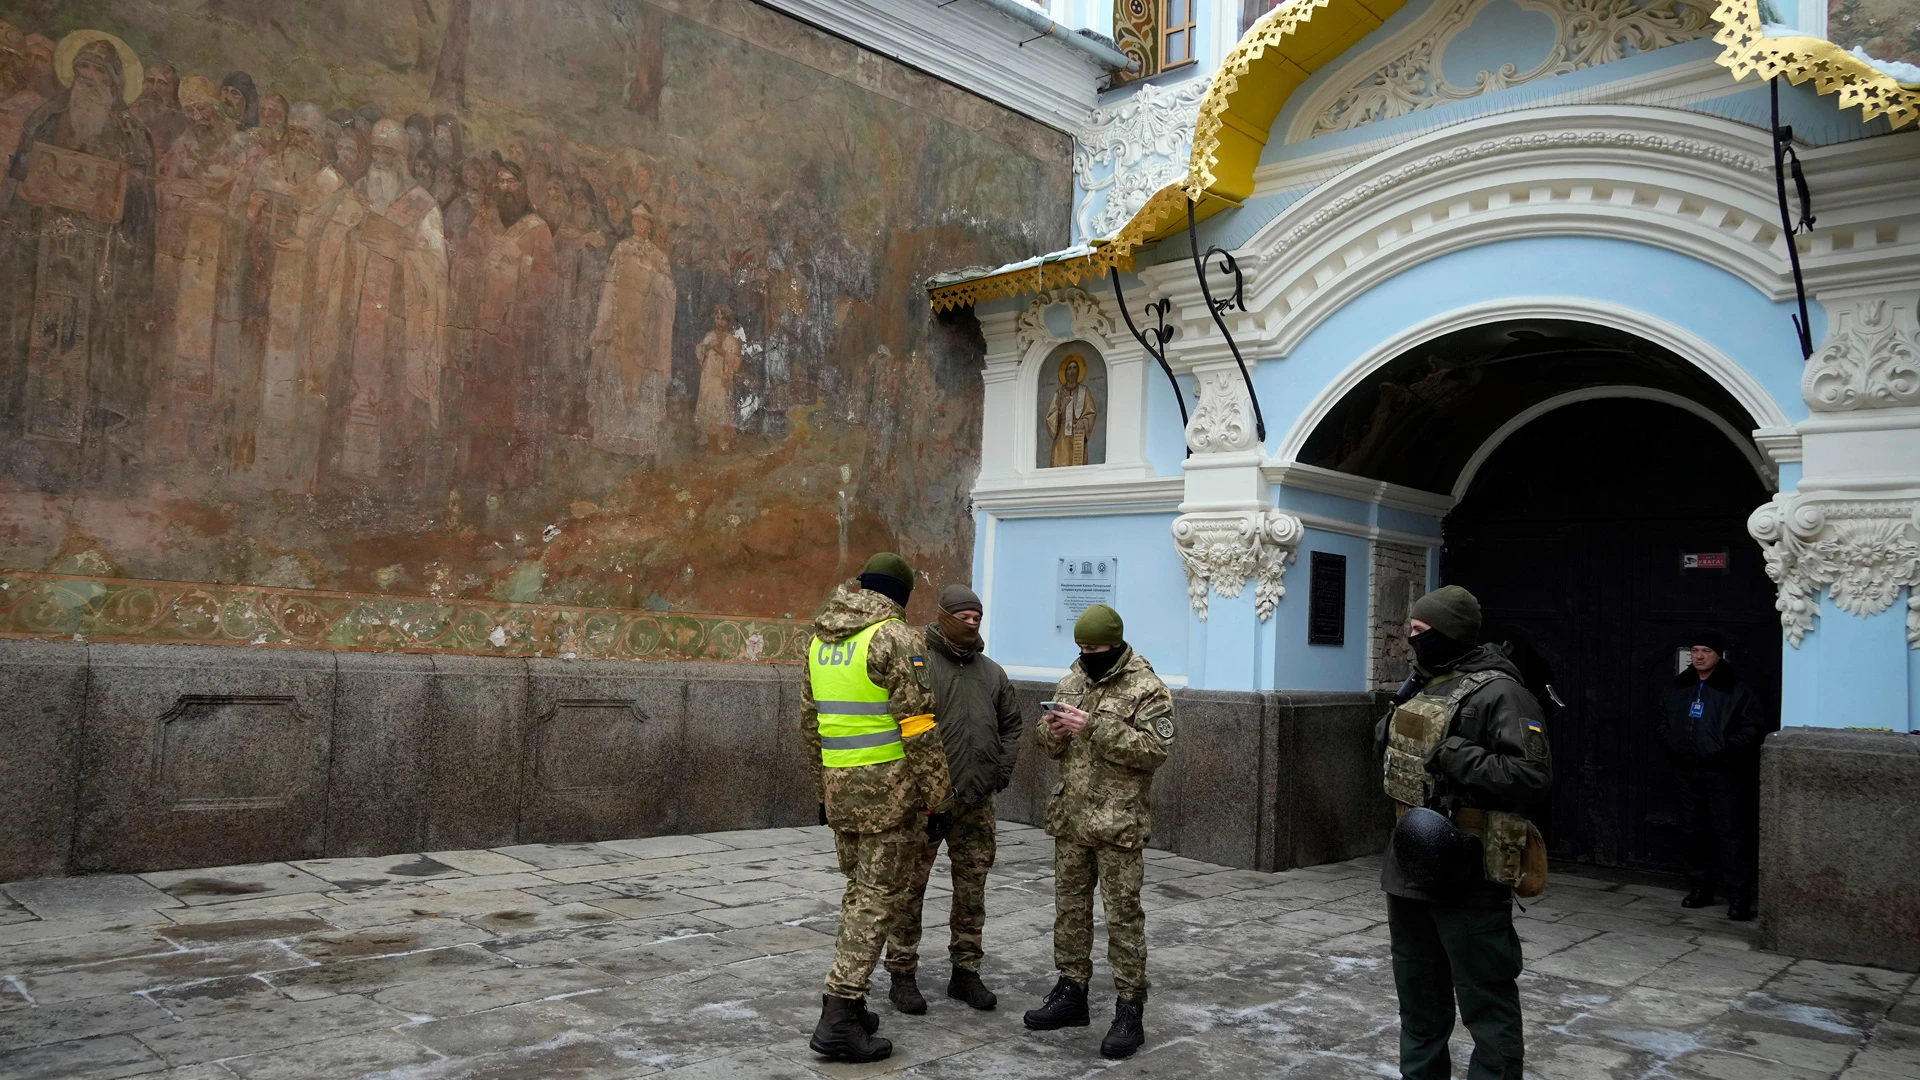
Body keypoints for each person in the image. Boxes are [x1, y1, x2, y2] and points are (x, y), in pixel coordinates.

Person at [1376, 585, 1551, 1080]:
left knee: (1485, 997)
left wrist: (1461, 756)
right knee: (1419, 998)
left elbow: (1533, 776)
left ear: (1448, 633)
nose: (1411, 639)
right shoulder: (1426, 682)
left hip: (1468, 867)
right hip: (1410, 860)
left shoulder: (1502, 692)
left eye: (1419, 631)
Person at [801, 553, 954, 1064]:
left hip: (842, 789)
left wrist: (824, 790)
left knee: (858, 894)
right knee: (876, 900)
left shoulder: (821, 640)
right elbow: (917, 726)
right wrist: (940, 796)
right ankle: (840, 1015)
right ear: (900, 593)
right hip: (889, 795)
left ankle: (848, 1001)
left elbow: (810, 724)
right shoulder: (895, 637)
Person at [1023, 604, 1172, 1060]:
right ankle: (1072, 991)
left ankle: (1130, 1007)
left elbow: (1155, 749)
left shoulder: (1148, 688)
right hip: (1071, 818)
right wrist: (1053, 730)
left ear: (1117, 644)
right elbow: (1047, 748)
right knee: (1069, 910)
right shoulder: (1071, 682)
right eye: (1081, 648)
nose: (1087, 655)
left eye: (1095, 648)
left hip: (1118, 822)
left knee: (1123, 916)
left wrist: (1093, 727)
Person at [881, 584, 1021, 1015]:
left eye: (977, 616)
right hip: (924, 804)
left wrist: (999, 773)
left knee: (972, 890)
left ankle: (966, 971)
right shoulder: (916, 663)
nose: (971, 622)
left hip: (976, 803)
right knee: (910, 890)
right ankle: (902, 974)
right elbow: (898, 722)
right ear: (943, 615)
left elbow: (1012, 726)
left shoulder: (993, 673)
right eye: (963, 616)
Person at [1656, 629, 1771, 921]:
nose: (1699, 656)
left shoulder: (1736, 689)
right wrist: (1672, 743)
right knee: (1692, 829)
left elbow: (1753, 728)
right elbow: (1662, 720)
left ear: (1718, 655)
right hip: (1687, 770)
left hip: (1724, 772)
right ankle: (1699, 888)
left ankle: (1738, 896)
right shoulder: (1678, 687)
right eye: (1694, 651)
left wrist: (1725, 749)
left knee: (1730, 832)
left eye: (1705, 651)